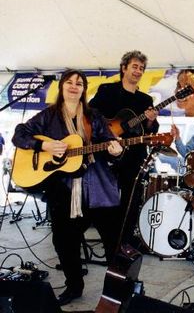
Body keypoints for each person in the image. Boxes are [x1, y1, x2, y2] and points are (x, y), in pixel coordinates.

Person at [12, 69, 123, 306]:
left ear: (84, 90)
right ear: (62, 87)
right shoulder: (48, 116)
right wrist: (44, 147)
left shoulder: (94, 117)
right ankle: (74, 286)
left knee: (113, 240)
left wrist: (116, 151)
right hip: (62, 190)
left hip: (97, 188)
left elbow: (110, 145)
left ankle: (117, 291)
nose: (74, 86)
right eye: (70, 82)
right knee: (63, 241)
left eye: (79, 83)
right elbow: (19, 135)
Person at [89, 50, 159, 246]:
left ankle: (124, 244)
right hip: (106, 152)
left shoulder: (145, 101)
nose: (138, 71)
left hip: (134, 156)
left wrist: (151, 121)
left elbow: (150, 130)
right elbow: (90, 114)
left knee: (130, 201)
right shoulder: (107, 91)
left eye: (142, 68)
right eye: (135, 66)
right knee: (105, 200)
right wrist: (108, 131)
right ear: (124, 68)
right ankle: (109, 239)